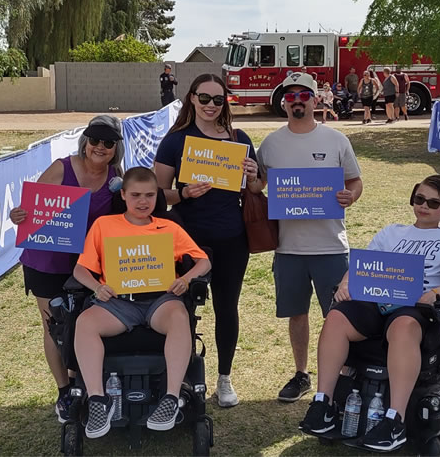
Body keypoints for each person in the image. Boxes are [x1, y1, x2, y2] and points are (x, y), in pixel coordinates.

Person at [299, 174, 440, 451]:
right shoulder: (392, 232)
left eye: (433, 203)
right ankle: (323, 404)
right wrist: (347, 283)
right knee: (336, 316)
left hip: (417, 306)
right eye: (419, 199)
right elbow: (364, 267)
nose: (424, 206)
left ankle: (394, 420)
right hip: (378, 300)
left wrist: (435, 293)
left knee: (403, 325)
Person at [72, 167, 212, 438]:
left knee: (180, 317)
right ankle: (98, 401)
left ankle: (171, 398)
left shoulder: (169, 227)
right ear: (123, 194)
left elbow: (203, 261)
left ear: (157, 196)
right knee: (85, 323)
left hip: (159, 299)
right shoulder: (104, 225)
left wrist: (185, 278)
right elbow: (80, 270)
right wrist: (97, 287)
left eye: (149, 195)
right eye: (135, 195)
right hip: (118, 302)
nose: (143, 201)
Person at [153, 73, 261, 408]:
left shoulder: (239, 138)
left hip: (232, 239)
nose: (211, 106)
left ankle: (224, 379)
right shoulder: (175, 141)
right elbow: (157, 195)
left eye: (218, 99)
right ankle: (180, 379)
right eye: (204, 98)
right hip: (188, 241)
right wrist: (183, 193)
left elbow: (257, 190)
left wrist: (254, 176)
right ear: (191, 99)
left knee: (226, 309)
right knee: (181, 309)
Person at [9, 115, 124, 423]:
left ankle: (80, 384)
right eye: (95, 140)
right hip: (46, 261)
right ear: (85, 140)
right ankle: (64, 391)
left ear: (116, 148)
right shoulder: (62, 167)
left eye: (108, 142)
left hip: (87, 267)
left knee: (81, 325)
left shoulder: (117, 178)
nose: (100, 147)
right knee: (54, 326)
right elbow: (29, 208)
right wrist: (17, 214)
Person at [257, 72, 363, 402]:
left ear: (316, 100)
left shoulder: (336, 140)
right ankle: (302, 374)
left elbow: (355, 182)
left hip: (331, 246)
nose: (297, 101)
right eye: (291, 97)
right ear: (284, 102)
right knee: (296, 313)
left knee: (340, 316)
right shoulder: (271, 144)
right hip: (289, 248)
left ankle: (345, 377)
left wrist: (351, 196)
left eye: (304, 95)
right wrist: (249, 178)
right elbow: (258, 186)